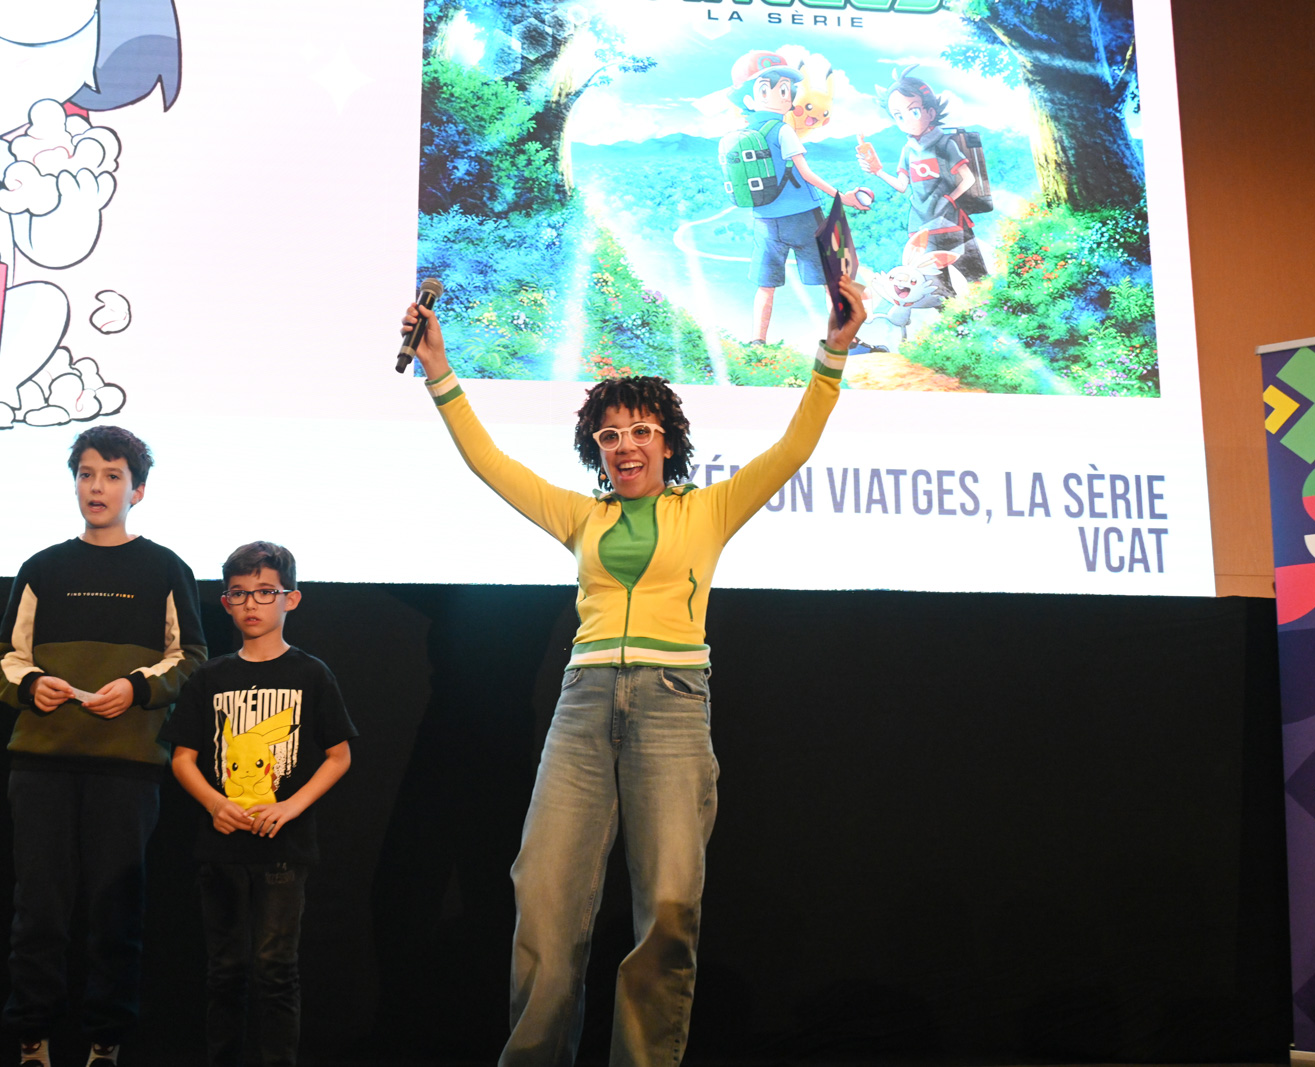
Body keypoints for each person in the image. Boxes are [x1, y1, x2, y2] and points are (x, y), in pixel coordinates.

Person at [401, 274, 868, 1066]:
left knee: (670, 902)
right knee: (543, 891)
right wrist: (438, 368)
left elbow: (793, 448)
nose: (625, 445)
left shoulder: (708, 509)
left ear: (667, 443)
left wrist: (834, 351)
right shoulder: (582, 515)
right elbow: (489, 462)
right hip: (583, 705)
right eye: (610, 434)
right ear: (597, 449)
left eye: (641, 430)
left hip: (672, 703)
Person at [0, 425, 208, 1067]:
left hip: (126, 770)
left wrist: (136, 688)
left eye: (113, 476)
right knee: (38, 911)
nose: (97, 487)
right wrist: (34, 685)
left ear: (137, 491)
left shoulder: (166, 568)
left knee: (117, 913)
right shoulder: (42, 568)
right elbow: (3, 662)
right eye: (87, 474)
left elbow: (192, 658)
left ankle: (105, 1040)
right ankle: (32, 1037)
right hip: (41, 766)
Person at [161, 541, 356, 1067]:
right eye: (239, 593)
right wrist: (213, 803)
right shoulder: (210, 677)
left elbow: (339, 756)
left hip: (283, 849)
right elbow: (183, 758)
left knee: (276, 969)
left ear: (291, 599)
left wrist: (290, 807)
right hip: (221, 847)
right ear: (226, 602)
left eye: (265, 592)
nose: (252, 603)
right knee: (225, 970)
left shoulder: (311, 674)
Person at [730, 49, 868, 344]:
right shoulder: (782, 131)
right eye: (771, 89)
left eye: (786, 89)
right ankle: (842, 339)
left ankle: (757, 341)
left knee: (765, 285)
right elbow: (806, 173)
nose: (784, 96)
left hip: (765, 220)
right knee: (831, 279)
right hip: (804, 217)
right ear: (749, 99)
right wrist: (841, 197)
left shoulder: (743, 134)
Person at [855, 65, 987, 281]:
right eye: (898, 116)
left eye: (914, 111)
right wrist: (879, 172)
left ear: (931, 113)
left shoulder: (944, 144)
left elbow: (969, 178)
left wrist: (949, 200)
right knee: (935, 282)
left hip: (951, 221)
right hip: (921, 224)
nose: (906, 120)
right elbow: (902, 186)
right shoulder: (908, 150)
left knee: (974, 274)